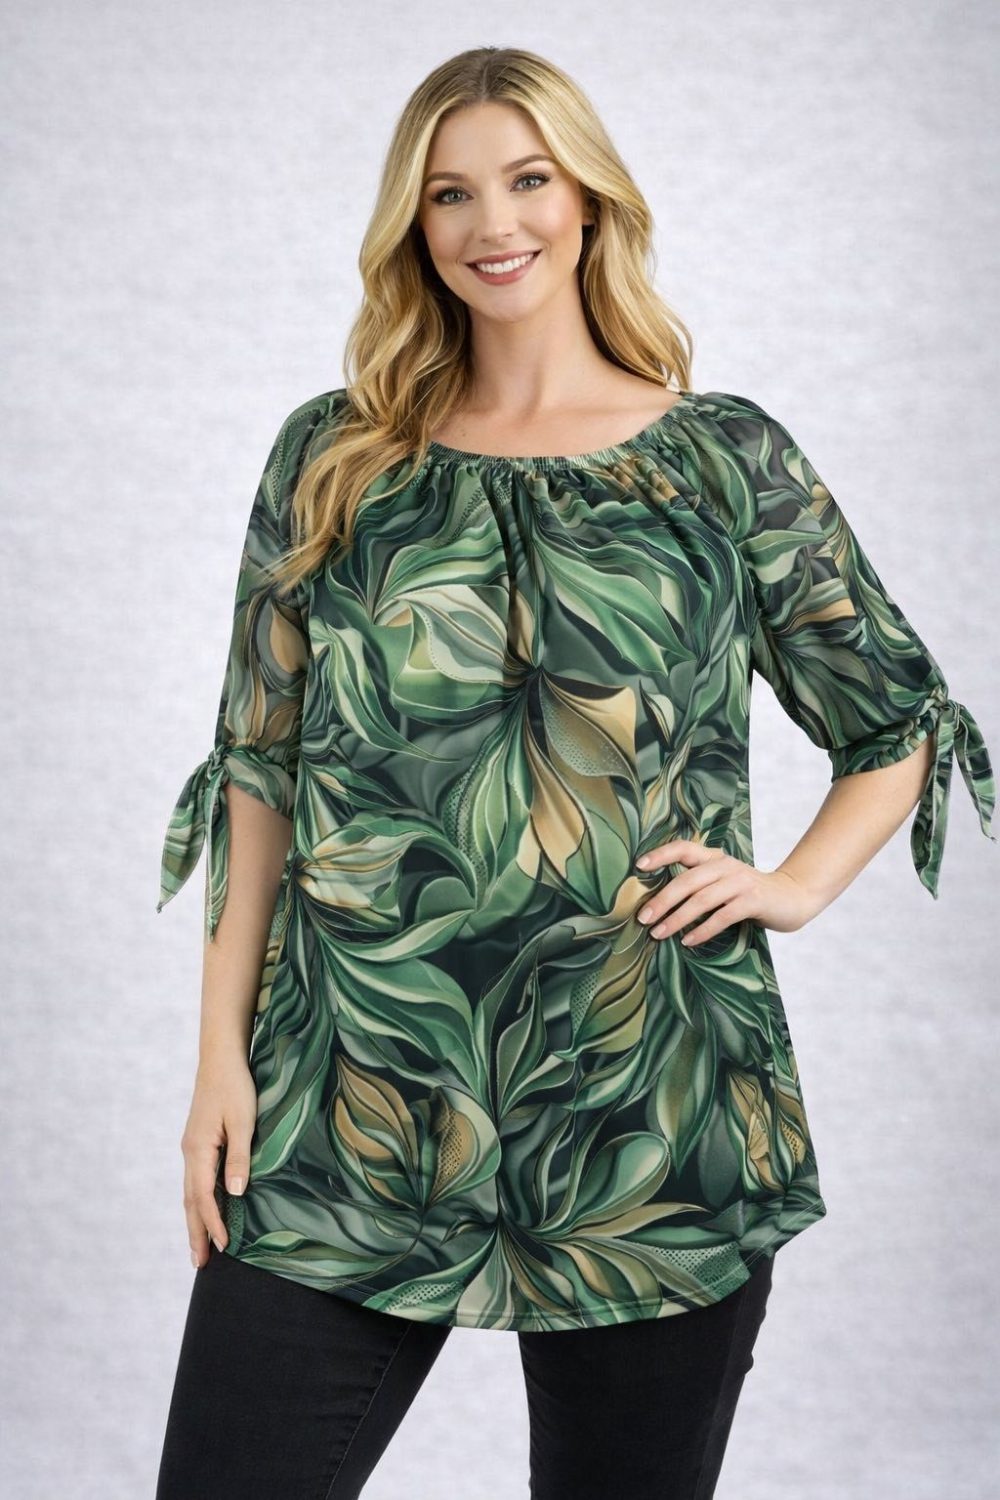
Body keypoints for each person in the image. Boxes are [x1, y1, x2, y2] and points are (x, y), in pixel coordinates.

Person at [153, 46, 996, 1500]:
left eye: (528, 179)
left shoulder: (723, 464)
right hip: (350, 1100)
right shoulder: (336, 461)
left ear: (589, 198)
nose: (494, 223)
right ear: (412, 224)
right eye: (449, 193)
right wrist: (219, 1056)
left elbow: (895, 717)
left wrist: (793, 886)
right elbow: (260, 770)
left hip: (650, 1112)